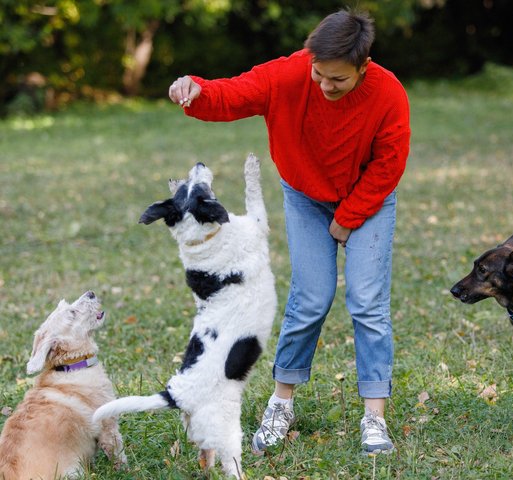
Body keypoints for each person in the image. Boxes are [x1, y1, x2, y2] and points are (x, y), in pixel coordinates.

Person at [168, 9, 410, 455]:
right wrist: (196, 91)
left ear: (363, 65)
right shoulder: (291, 73)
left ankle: (374, 417)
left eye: (337, 79)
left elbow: (389, 163)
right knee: (311, 297)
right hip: (305, 195)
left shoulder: (389, 93)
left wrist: (349, 216)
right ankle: (282, 402)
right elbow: (236, 93)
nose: (324, 85)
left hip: (367, 198)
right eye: (319, 74)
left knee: (367, 301)